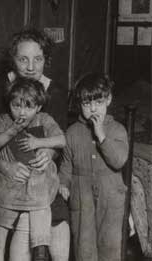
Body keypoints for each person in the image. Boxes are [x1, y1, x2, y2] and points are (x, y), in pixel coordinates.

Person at [0, 27, 70, 261]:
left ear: (46, 60)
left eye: (38, 59)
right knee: (27, 217)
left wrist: (48, 151)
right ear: (12, 60)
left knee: (59, 217)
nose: (31, 67)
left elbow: (58, 140)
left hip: (40, 177)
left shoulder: (54, 91)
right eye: (23, 59)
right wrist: (5, 167)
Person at [0, 78, 66, 261]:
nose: (21, 112)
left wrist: (38, 142)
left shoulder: (44, 119)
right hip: (12, 178)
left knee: (40, 204)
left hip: (38, 178)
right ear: (9, 104)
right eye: (16, 106)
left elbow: (62, 140)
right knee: (4, 209)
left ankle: (40, 249)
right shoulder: (4, 119)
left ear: (38, 107)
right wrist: (11, 130)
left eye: (28, 107)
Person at [58, 73, 129, 261]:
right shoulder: (72, 132)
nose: (92, 108)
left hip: (111, 194)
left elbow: (119, 160)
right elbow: (66, 163)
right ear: (79, 105)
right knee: (84, 245)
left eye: (98, 102)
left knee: (110, 244)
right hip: (81, 194)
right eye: (86, 104)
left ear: (109, 100)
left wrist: (101, 136)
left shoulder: (118, 129)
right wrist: (63, 183)